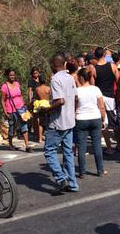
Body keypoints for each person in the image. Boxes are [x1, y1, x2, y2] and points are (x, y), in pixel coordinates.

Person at [41, 53, 78, 194]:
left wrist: (46, 109)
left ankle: (61, 178)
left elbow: (60, 101)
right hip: (69, 121)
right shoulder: (70, 78)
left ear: (54, 65)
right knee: (68, 152)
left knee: (49, 151)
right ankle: (73, 184)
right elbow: (74, 97)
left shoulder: (56, 79)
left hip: (58, 122)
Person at [74, 68, 106, 178]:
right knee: (97, 145)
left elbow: (74, 107)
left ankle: (82, 172)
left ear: (81, 78)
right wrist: (104, 119)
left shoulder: (77, 91)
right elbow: (101, 106)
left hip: (81, 118)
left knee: (81, 147)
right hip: (95, 117)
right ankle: (100, 170)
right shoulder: (96, 89)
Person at [92, 47, 120, 155]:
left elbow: (93, 85)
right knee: (114, 121)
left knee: (104, 123)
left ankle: (109, 147)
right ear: (104, 54)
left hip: (100, 97)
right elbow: (118, 82)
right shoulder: (112, 66)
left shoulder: (94, 69)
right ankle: (119, 144)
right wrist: (118, 96)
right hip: (110, 97)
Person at [1, 69, 31, 152]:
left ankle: (27, 145)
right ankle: (10, 144)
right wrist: (5, 111)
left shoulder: (17, 84)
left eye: (13, 75)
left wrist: (24, 104)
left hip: (21, 108)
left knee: (24, 125)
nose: (12, 77)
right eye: (11, 75)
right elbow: (2, 100)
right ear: (7, 76)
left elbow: (20, 95)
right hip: (11, 109)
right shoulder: (4, 86)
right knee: (12, 127)